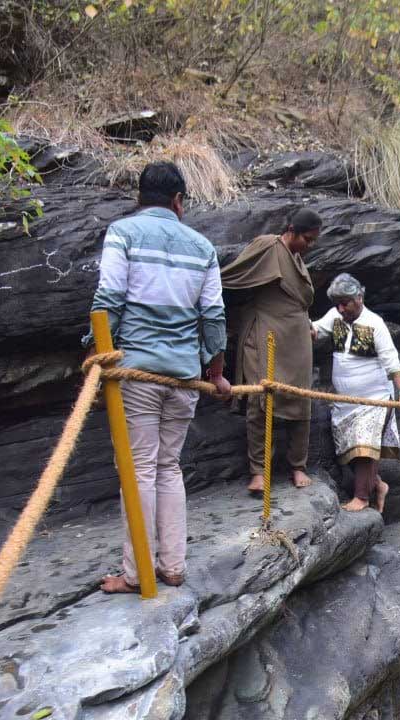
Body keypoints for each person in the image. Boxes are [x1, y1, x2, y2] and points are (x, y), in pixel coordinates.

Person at [89, 161, 232, 593]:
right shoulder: (202, 247)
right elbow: (213, 316)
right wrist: (217, 371)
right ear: (178, 201)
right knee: (169, 467)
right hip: (185, 378)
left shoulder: (123, 233)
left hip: (138, 374)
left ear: (140, 198)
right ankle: (173, 567)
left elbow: (108, 299)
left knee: (139, 471)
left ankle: (137, 575)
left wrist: (95, 354)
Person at [221, 208, 322, 496]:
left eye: (314, 241)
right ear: (291, 229)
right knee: (260, 400)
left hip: (297, 339)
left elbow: (298, 301)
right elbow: (234, 276)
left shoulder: (299, 261)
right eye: (307, 238)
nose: (310, 245)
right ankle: (258, 471)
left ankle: (297, 465)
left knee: (301, 400)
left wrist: (309, 323)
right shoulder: (267, 246)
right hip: (264, 333)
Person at [311, 275, 400, 513]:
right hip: (345, 402)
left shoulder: (375, 323)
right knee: (350, 451)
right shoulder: (335, 317)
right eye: (337, 304)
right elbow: (314, 331)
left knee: (365, 447)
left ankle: (362, 497)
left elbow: (391, 360)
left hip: (374, 399)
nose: (340, 308)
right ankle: (378, 485)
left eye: (345, 303)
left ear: (359, 298)